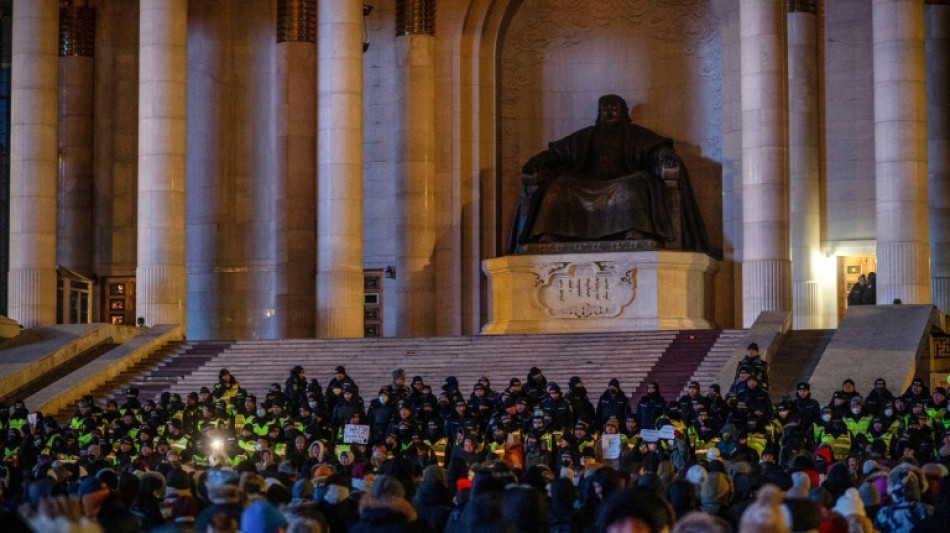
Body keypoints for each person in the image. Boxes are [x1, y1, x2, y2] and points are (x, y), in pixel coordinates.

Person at [508, 94, 709, 252]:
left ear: (624, 112)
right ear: (599, 112)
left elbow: (656, 149)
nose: (610, 113)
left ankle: (634, 231)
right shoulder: (587, 135)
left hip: (623, 178)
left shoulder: (635, 134)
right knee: (559, 187)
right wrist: (539, 160)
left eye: (614, 109)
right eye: (605, 109)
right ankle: (550, 232)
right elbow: (558, 153)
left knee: (635, 184)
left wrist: (666, 155)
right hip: (586, 179)